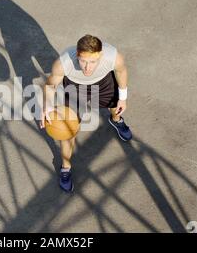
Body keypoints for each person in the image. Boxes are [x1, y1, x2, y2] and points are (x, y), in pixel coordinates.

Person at [40, 34, 132, 193]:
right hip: (75, 88)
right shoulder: (63, 63)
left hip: (103, 82)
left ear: (101, 56)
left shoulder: (113, 57)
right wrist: (47, 106)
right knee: (67, 130)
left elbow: (122, 71)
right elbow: (50, 85)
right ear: (77, 55)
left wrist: (123, 98)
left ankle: (116, 120)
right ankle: (65, 168)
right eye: (83, 61)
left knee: (115, 106)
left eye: (92, 62)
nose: (87, 67)